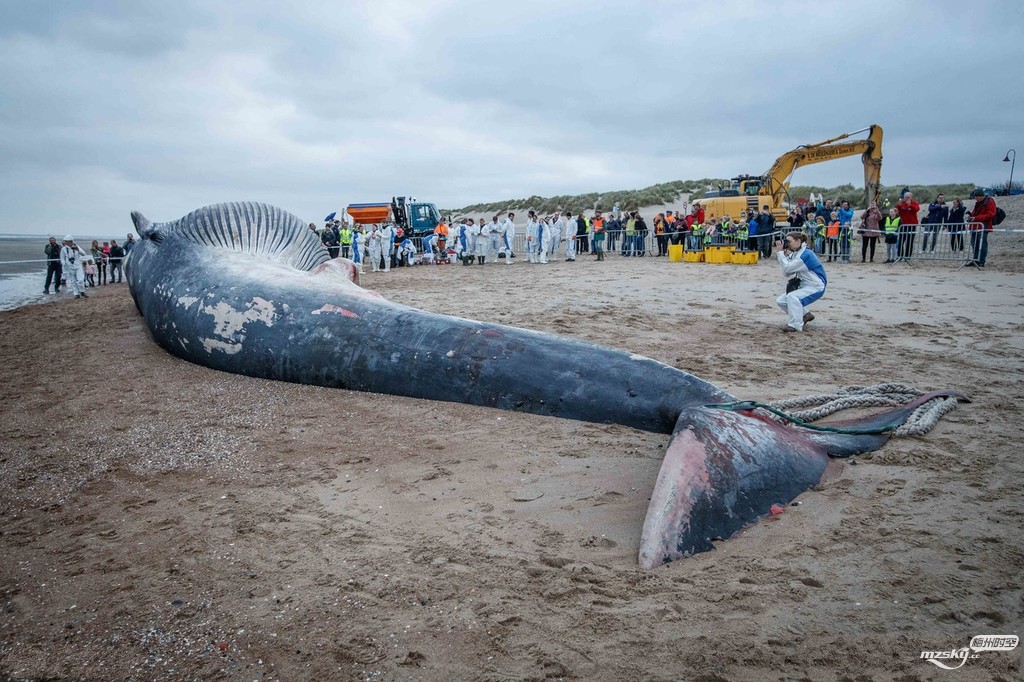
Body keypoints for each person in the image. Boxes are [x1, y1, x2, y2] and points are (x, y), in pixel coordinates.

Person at [774, 232, 825, 332]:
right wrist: (783, 255)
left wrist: (780, 254)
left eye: (789, 241)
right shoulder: (796, 254)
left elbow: (788, 268)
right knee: (781, 301)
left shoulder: (806, 254)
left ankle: (795, 325)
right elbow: (786, 273)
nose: (787, 244)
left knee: (792, 297)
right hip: (805, 285)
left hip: (816, 286)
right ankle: (805, 315)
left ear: (798, 241)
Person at [966, 188, 997, 268]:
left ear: (980, 196)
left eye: (975, 197)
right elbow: (975, 213)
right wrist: (971, 216)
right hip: (975, 226)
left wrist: (976, 218)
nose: (975, 199)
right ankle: (975, 260)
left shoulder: (989, 201)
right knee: (974, 244)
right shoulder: (978, 203)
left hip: (983, 226)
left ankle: (981, 261)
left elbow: (990, 215)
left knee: (982, 244)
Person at [895, 191, 920, 259]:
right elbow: (898, 212)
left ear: (911, 197)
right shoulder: (902, 204)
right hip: (903, 225)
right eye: (906, 197)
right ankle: (900, 255)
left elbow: (916, 210)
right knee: (901, 241)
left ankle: (907, 256)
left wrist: (910, 205)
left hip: (912, 225)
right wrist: (899, 205)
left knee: (909, 241)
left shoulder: (914, 203)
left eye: (908, 197)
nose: (907, 198)